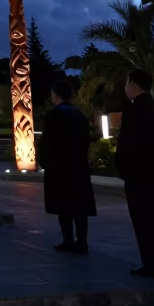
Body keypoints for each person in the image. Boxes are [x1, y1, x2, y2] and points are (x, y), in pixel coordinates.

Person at [115, 69, 154, 280]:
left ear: (134, 85)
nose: (125, 88)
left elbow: (125, 145)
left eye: (126, 84)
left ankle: (151, 264)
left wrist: (124, 169)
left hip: (138, 176)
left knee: (144, 222)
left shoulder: (133, 111)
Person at [41, 80, 97, 254]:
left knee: (64, 206)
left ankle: (68, 239)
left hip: (59, 168)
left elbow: (48, 143)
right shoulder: (78, 115)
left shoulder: (54, 116)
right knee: (79, 207)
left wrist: (47, 162)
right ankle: (81, 241)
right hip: (78, 166)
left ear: (56, 95)